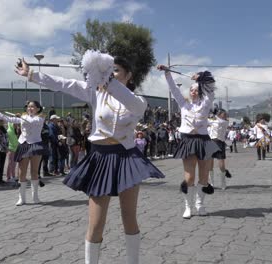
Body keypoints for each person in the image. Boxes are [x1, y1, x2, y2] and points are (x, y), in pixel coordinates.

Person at [17, 51, 165, 264]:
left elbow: (130, 102)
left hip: (126, 158)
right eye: (108, 69)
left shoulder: (138, 101)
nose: (110, 74)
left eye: (116, 70)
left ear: (128, 75)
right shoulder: (95, 93)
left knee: (128, 217)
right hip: (99, 158)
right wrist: (32, 75)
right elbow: (64, 84)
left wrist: (107, 78)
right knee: (96, 223)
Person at [157, 65, 219, 219]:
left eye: (197, 89)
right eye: (191, 89)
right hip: (188, 141)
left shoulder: (206, 102)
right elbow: (173, 88)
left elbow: (211, 86)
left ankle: (200, 204)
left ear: (201, 91)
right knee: (189, 177)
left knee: (204, 177)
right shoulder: (184, 104)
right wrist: (167, 72)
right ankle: (188, 206)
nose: (194, 91)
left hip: (204, 141)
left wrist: (202, 76)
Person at [0, 101, 47, 206]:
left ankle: (35, 197)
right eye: (28, 107)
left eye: (32, 107)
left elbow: (32, 122)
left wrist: (23, 117)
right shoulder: (23, 117)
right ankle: (21, 198)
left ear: (37, 109)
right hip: (23, 144)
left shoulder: (40, 117)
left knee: (34, 171)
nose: (30, 108)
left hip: (36, 144)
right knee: (22, 172)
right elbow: (9, 119)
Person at [208, 109, 232, 190]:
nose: (225, 115)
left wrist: (212, 115)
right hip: (215, 141)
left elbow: (206, 120)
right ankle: (216, 183)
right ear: (219, 114)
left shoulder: (221, 121)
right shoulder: (222, 121)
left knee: (220, 164)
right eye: (223, 114)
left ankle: (219, 182)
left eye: (225, 114)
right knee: (211, 163)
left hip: (216, 141)